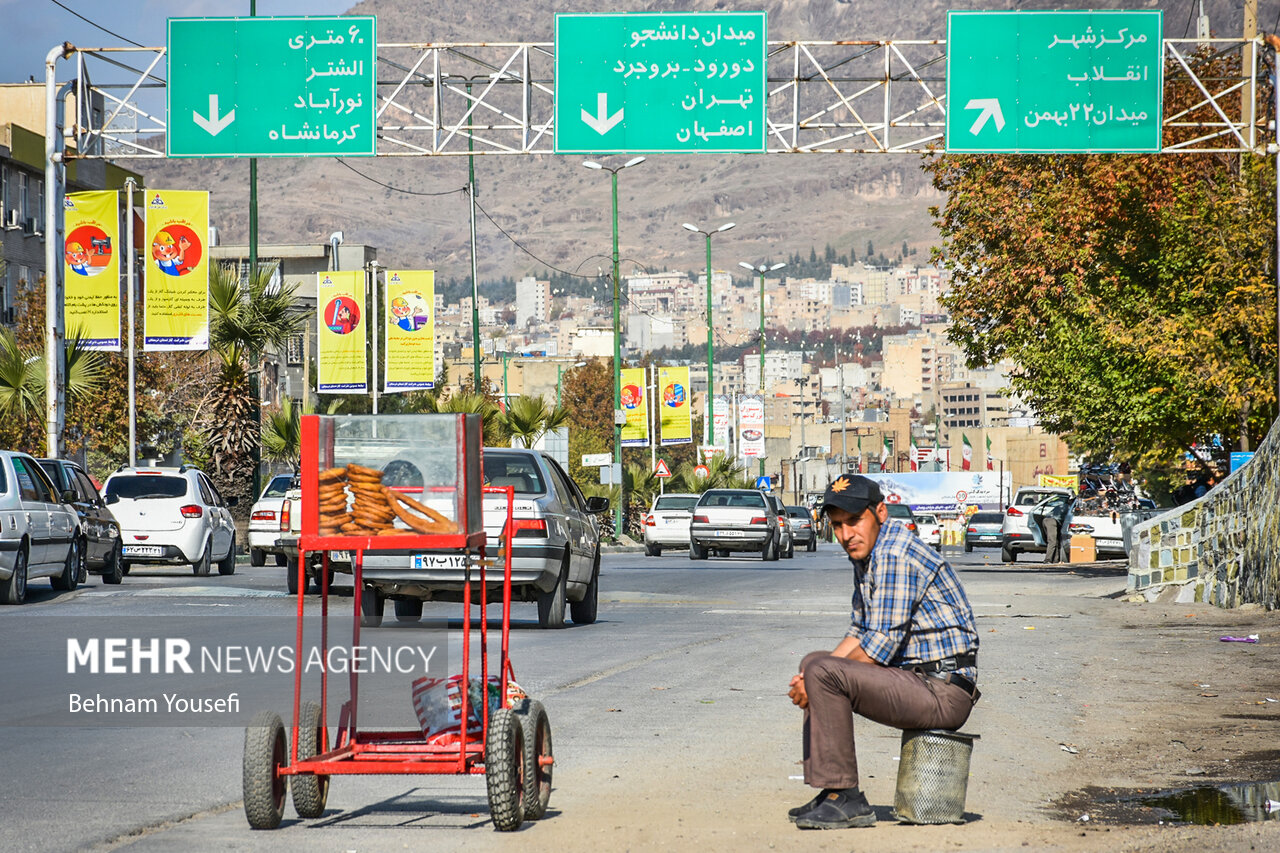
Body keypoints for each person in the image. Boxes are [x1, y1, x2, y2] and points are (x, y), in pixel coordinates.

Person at [786, 475, 979, 830]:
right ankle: (831, 791)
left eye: (854, 521)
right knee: (815, 663)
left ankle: (846, 797)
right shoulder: (869, 556)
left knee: (821, 672)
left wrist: (815, 681)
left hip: (943, 690)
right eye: (837, 526)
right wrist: (810, 676)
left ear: (880, 512)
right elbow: (859, 631)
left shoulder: (895, 553)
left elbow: (878, 647)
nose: (845, 535)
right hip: (917, 681)